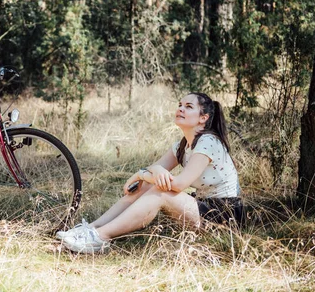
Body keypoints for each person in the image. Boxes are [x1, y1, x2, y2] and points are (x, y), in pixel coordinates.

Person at [57, 92, 244, 254]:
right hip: (202, 207)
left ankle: (99, 238)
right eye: (180, 105)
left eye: (188, 106)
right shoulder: (182, 146)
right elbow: (146, 174)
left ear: (203, 117)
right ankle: (89, 229)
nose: (181, 109)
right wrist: (145, 174)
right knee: (146, 185)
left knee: (160, 192)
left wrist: (152, 172)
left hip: (224, 216)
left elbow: (178, 184)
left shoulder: (208, 142)